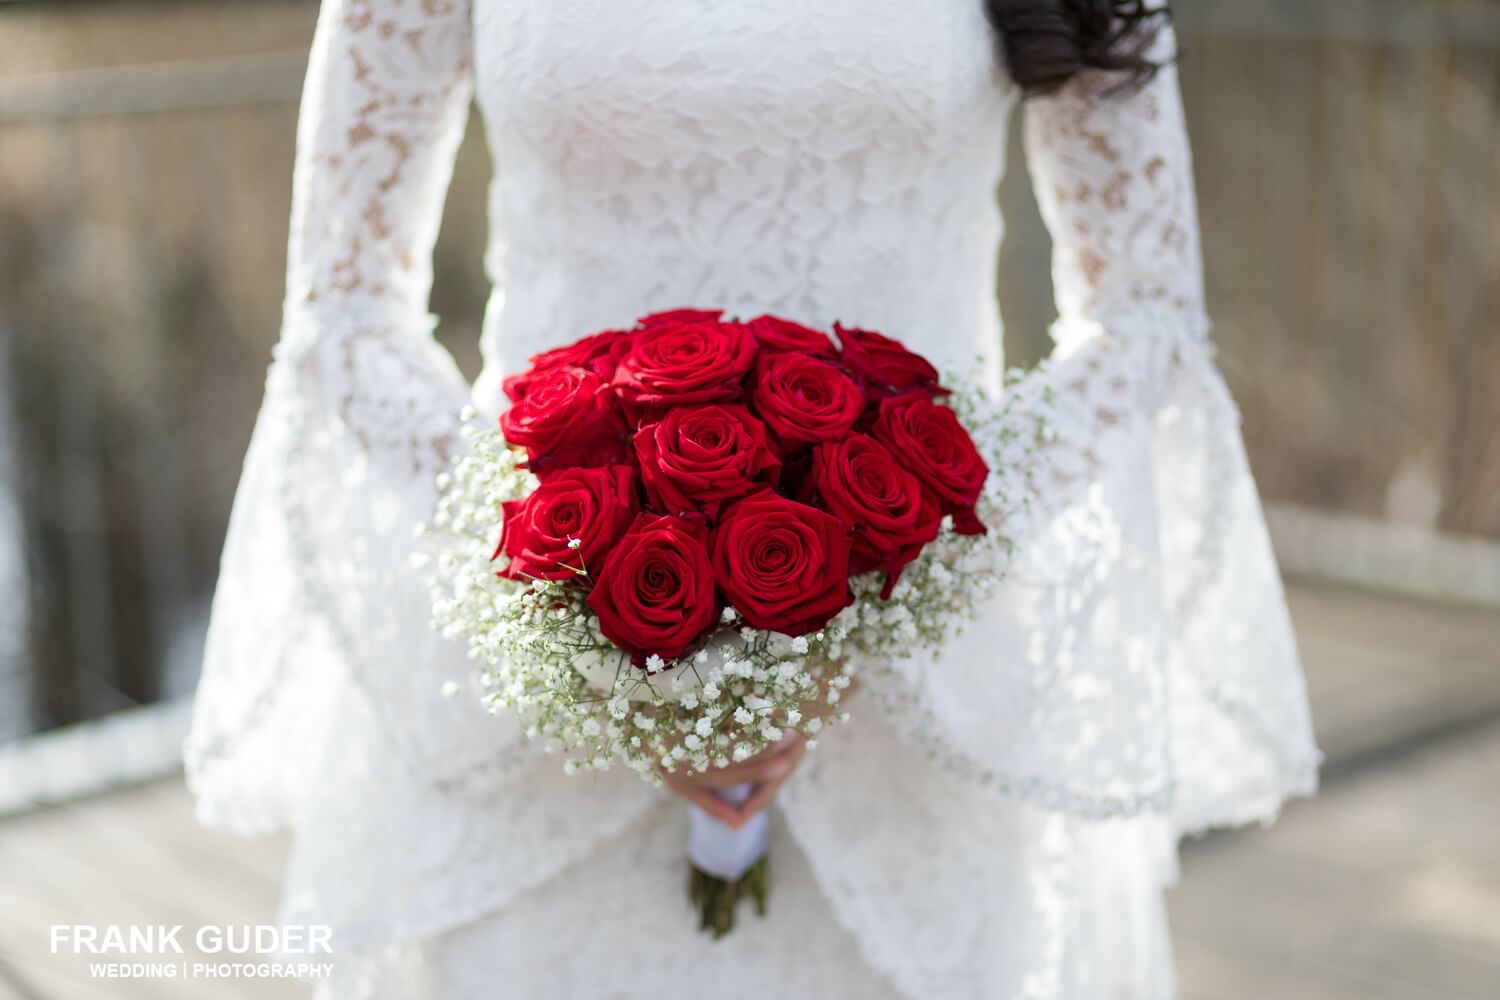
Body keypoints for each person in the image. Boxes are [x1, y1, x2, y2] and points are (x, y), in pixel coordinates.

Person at [187, 0, 1320, 995]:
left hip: (927, 705)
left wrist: (907, 568)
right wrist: (553, 585)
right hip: (537, 694)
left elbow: (1144, 316)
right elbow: (345, 311)